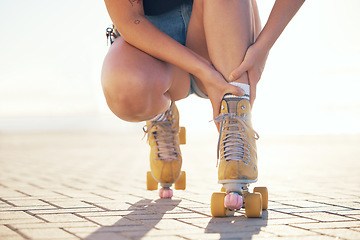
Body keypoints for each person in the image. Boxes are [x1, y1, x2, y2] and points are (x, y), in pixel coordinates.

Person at [101, 0, 305, 216]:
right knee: (125, 88)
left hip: (222, 24)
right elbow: (128, 20)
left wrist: (263, 48)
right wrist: (203, 71)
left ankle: (235, 120)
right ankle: (161, 115)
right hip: (152, 42)